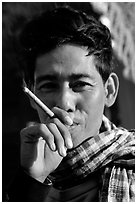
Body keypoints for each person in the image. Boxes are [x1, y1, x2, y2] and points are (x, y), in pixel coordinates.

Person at [7, 6, 135, 202]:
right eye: (49, 86)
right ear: (32, 95)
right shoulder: (20, 176)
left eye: (80, 84)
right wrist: (32, 182)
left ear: (109, 91)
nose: (64, 103)